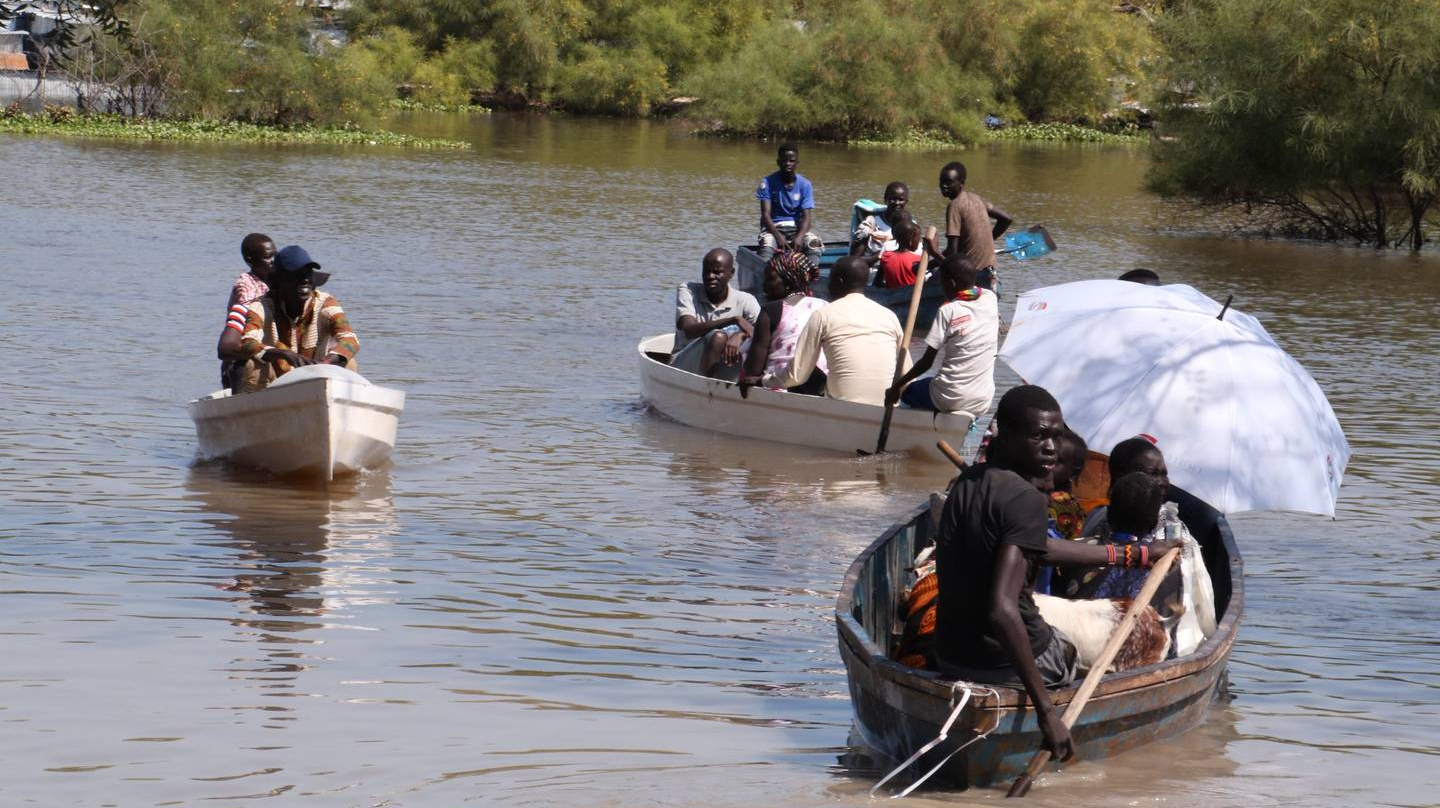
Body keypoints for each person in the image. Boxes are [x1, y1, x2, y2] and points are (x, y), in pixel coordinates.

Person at [930, 385, 1181, 761]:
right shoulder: (1024, 498)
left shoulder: (968, 482)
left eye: (1056, 435)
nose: (1050, 447)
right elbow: (1002, 609)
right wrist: (1047, 711)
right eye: (1038, 435)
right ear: (1004, 433)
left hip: (948, 655)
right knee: (1065, 649)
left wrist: (1134, 554)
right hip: (997, 663)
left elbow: (1039, 549)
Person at [753, 256, 905, 406]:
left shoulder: (823, 315)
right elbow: (906, 373)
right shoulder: (889, 316)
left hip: (842, 405)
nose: (828, 287)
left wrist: (763, 380)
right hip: (886, 404)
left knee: (810, 373)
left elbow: (796, 375)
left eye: (830, 281)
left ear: (838, 283)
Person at [884, 255, 999, 418]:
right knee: (929, 382)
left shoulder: (948, 310)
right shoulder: (990, 298)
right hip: (983, 398)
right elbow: (979, 291)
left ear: (951, 284)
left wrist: (897, 386)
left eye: (942, 283)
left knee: (909, 392)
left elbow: (926, 362)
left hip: (948, 397)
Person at [234, 246, 359, 392]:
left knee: (349, 363)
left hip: (318, 379)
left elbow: (350, 339)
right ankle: (257, 410)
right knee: (251, 363)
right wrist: (284, 354)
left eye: (307, 274)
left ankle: (335, 407)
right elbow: (247, 343)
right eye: (296, 275)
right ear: (280, 281)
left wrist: (326, 362)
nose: (304, 279)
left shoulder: (325, 303)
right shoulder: (262, 306)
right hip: (274, 385)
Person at [739, 252, 828, 395]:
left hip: (778, 391)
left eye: (770, 279)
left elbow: (753, 370)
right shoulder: (825, 306)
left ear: (789, 280)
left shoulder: (771, 310)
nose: (763, 286)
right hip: (819, 390)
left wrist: (744, 344)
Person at [671, 248, 760, 379]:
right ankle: (706, 391)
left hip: (723, 366)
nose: (710, 276)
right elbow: (689, 330)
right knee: (718, 337)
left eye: (717, 272)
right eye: (707, 271)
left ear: (731, 273)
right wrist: (733, 320)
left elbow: (763, 335)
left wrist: (740, 335)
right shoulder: (688, 290)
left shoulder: (745, 300)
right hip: (684, 365)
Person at [925, 161, 1012, 291]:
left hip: (971, 276)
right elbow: (1006, 219)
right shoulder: (977, 199)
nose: (943, 186)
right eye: (941, 182)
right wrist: (987, 240)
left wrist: (931, 259)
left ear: (961, 182)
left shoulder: (954, 206)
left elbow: (952, 254)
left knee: (931, 284)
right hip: (990, 272)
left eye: (949, 182)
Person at [217, 233, 276, 392]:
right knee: (243, 366)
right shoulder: (246, 286)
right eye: (268, 257)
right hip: (242, 355)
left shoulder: (271, 280)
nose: (273, 262)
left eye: (275, 256)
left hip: (265, 351)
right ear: (250, 259)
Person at [1082, 435, 1169, 534]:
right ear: (1121, 478)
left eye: (1164, 474)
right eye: (1153, 474)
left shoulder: (1169, 522)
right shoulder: (1103, 522)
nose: (1162, 482)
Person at [756, 143, 823, 263]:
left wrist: (800, 237)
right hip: (773, 228)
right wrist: (778, 236)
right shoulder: (767, 183)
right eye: (784, 160)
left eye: (791, 161)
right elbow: (765, 215)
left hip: (796, 229)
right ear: (778, 162)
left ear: (797, 163)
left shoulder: (805, 184)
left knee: (815, 244)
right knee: (767, 246)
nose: (788, 163)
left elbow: (807, 218)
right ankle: (766, 275)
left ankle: (810, 275)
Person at [851, 181, 911, 259]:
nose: (897, 203)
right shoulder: (872, 222)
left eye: (901, 200)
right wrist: (882, 255)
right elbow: (856, 258)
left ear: (906, 202)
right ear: (885, 199)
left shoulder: (910, 224)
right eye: (893, 199)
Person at [874, 219, 926, 288]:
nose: (919, 242)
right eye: (918, 240)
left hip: (891, 295)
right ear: (910, 241)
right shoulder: (917, 259)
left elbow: (877, 282)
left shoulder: (886, 256)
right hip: (910, 296)